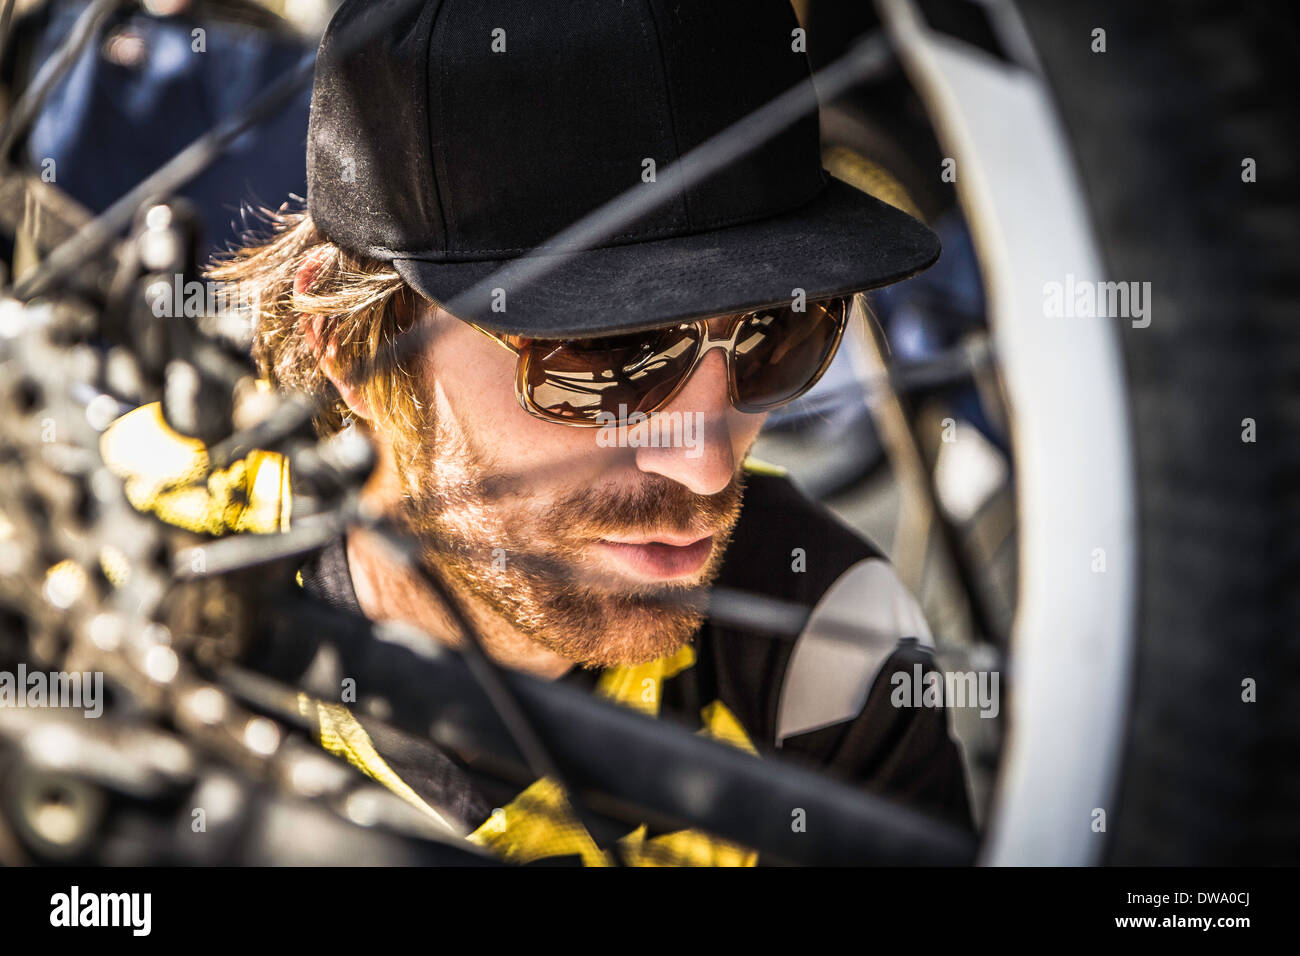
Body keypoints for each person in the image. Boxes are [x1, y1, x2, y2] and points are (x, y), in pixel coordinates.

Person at [207, 0, 974, 865]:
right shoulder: (134, 567)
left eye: (773, 339)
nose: (707, 460)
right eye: (609, 359)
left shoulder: (822, 646)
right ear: (354, 347)